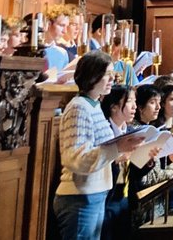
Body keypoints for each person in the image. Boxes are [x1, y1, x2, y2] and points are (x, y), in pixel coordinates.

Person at [53, 51, 145, 240]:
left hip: (95, 193)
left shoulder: (93, 106)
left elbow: (102, 151)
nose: (113, 79)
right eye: (107, 74)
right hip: (80, 196)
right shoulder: (78, 107)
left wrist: (124, 152)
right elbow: (75, 159)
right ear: (93, 75)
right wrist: (117, 148)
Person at [101, 85, 136, 240]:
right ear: (114, 107)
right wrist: (117, 158)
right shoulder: (104, 130)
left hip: (125, 195)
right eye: (129, 102)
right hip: (108, 197)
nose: (134, 106)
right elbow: (97, 160)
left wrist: (148, 160)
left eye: (135, 101)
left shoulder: (131, 131)